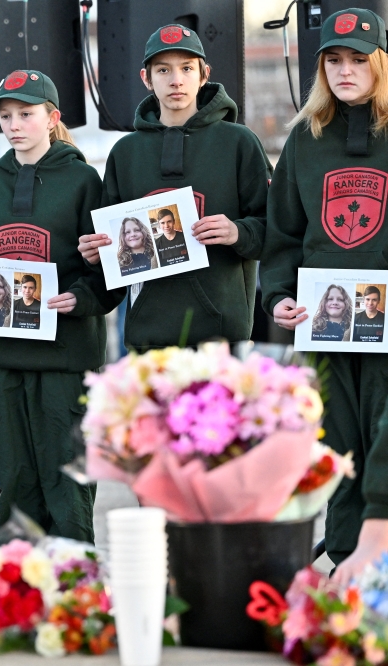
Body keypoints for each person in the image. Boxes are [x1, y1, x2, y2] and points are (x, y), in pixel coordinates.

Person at [0, 70, 120, 540]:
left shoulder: (84, 181)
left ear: (52, 117)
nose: (14, 125)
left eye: (26, 114)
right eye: (5, 116)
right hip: (2, 360)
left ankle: (75, 595)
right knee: (15, 480)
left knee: (67, 484)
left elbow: (109, 274)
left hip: (66, 359)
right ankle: (16, 596)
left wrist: (78, 298)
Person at [260, 8, 388, 582]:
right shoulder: (304, 141)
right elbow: (283, 235)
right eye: (333, 60)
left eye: (357, 59)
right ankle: (344, 570)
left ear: (380, 63)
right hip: (324, 327)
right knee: (337, 453)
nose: (344, 70)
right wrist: (278, 298)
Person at [78, 25, 270, 351]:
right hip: (146, 336)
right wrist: (96, 255)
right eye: (163, 70)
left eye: (186, 68)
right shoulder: (125, 154)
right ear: (146, 78)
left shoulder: (240, 143)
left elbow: (277, 230)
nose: (176, 80)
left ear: (204, 74)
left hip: (222, 338)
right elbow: (112, 257)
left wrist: (238, 232)